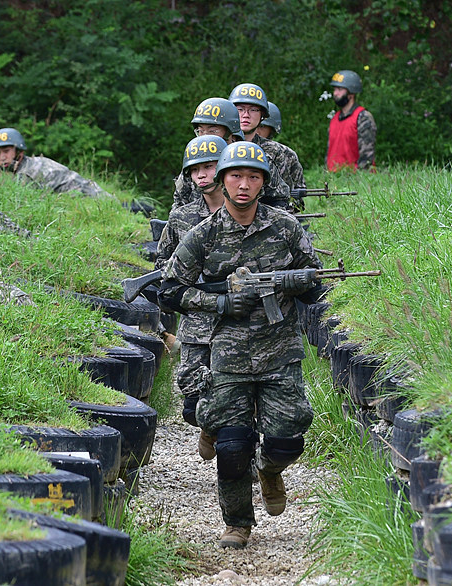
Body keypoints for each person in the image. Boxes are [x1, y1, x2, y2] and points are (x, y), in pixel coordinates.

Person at [158, 141, 325, 549]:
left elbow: (314, 281)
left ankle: (269, 469)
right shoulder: (202, 234)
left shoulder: (285, 227)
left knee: (288, 438)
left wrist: (301, 284)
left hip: (280, 351)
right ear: (222, 180)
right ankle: (237, 523)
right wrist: (221, 303)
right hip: (227, 354)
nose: (244, 184)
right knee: (232, 448)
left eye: (253, 177)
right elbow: (169, 290)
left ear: (264, 182)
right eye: (236, 176)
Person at [156, 135, 229, 461]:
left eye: (209, 167)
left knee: (241, 389)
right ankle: (209, 426)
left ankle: (247, 456)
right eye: (195, 169)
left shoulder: (246, 210)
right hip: (198, 314)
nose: (201, 175)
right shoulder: (181, 218)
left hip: (241, 314)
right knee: (191, 401)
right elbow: (162, 267)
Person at [172, 97, 291, 212]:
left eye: (213, 131)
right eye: (200, 131)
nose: (205, 136)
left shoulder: (253, 158)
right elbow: (179, 205)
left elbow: (279, 200)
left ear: (230, 131)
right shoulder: (195, 162)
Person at [0, 127, 113, 198]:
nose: (2, 157)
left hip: (90, 199)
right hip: (97, 194)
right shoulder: (33, 162)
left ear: (19, 151)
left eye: (6, 151)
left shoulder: (26, 174)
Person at [228, 83, 299, 206]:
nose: (246, 115)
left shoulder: (276, 152)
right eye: (240, 109)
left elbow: (283, 197)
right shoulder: (219, 147)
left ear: (262, 115)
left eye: (253, 110)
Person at [325, 69, 377, 172]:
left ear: (351, 93)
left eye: (339, 89)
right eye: (335, 89)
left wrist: (360, 180)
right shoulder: (335, 119)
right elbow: (329, 154)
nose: (335, 93)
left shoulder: (363, 117)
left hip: (355, 180)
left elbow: (367, 157)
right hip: (334, 179)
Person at [254, 100, 306, 194]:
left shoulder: (286, 154)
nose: (256, 130)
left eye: (261, 126)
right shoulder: (230, 150)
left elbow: (299, 190)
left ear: (272, 129)